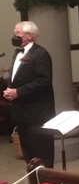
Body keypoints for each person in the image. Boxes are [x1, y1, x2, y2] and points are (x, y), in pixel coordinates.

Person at [3, 21, 55, 168]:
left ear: (30, 36)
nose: (15, 36)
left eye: (18, 33)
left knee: (41, 151)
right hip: (21, 112)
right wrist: (9, 89)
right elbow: (17, 77)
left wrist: (18, 92)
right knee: (28, 152)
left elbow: (44, 81)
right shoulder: (17, 53)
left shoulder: (40, 54)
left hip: (37, 113)